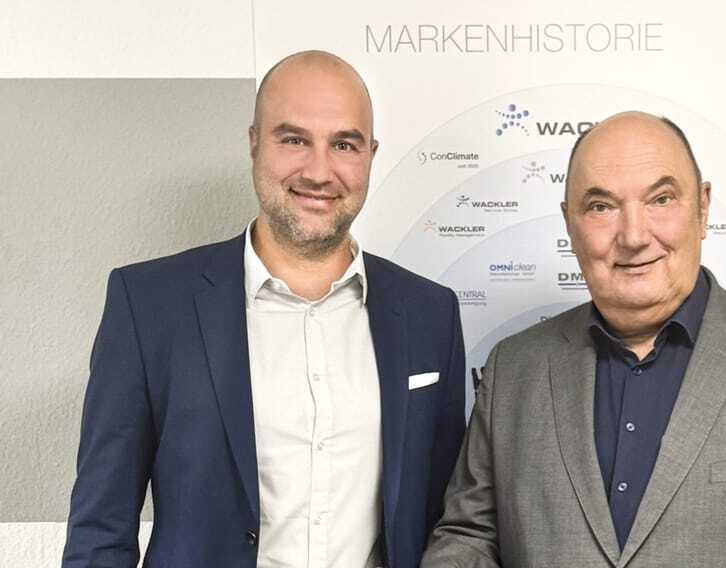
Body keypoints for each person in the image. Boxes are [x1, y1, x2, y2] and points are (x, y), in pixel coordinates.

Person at [63, 50, 466, 568]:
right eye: (294, 140)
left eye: (344, 144)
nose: (319, 171)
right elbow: (100, 531)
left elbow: (446, 523)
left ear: (370, 154)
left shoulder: (430, 313)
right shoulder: (149, 305)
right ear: (254, 143)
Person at [422, 111, 726, 567]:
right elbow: (470, 536)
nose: (634, 236)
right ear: (569, 223)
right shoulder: (515, 368)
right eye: (601, 207)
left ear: (702, 208)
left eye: (661, 199)